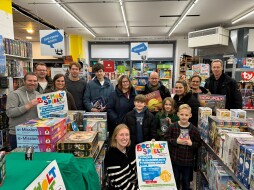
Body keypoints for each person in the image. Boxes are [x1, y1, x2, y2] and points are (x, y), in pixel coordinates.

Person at [165, 104, 201, 190]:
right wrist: (176, 141)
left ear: (190, 115)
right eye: (182, 114)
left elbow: (198, 144)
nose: (184, 117)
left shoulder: (194, 129)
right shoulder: (172, 127)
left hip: (187, 161)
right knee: (175, 179)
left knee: (186, 181)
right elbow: (166, 139)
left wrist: (191, 144)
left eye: (186, 115)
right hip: (175, 160)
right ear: (178, 114)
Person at [6, 73, 40, 150]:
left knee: (33, 160)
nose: (32, 83)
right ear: (24, 81)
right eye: (30, 80)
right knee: (19, 160)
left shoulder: (38, 94)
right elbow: (10, 112)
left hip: (34, 133)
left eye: (35, 81)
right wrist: (28, 105)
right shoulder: (14, 94)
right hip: (18, 134)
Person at [104, 124, 139, 190]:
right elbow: (122, 185)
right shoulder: (111, 157)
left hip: (135, 184)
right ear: (115, 137)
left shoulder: (130, 148)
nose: (125, 138)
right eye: (121, 135)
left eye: (127, 135)